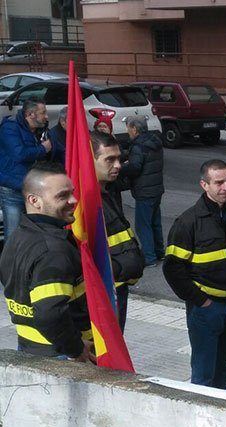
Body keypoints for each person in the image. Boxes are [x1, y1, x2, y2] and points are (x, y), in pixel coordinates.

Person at [163, 159, 226, 390]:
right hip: (206, 310)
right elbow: (173, 269)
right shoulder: (188, 223)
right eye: (219, 183)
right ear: (204, 185)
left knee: (225, 366)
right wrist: (202, 302)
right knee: (204, 372)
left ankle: (221, 406)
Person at [0, 163, 92, 362]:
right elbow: (50, 314)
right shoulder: (53, 250)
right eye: (62, 196)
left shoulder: (17, 236)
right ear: (34, 201)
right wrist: (76, 349)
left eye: (72, 193)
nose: (74, 200)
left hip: (29, 347)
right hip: (62, 354)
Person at [91, 131, 145, 330]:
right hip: (104, 292)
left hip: (116, 287)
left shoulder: (106, 192)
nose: (118, 165)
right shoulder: (82, 203)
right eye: (109, 159)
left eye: (119, 159)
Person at [0, 98, 51, 236]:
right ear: (30, 114)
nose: (46, 116)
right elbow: (19, 154)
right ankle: (11, 258)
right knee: (14, 232)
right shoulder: (10, 127)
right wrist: (42, 149)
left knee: (35, 231)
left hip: (32, 186)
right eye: (43, 113)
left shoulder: (39, 129)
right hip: (12, 188)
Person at [119, 116, 166, 268]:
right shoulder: (154, 142)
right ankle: (160, 252)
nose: (128, 132)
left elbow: (134, 167)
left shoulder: (138, 146)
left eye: (128, 128)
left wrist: (121, 168)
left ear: (134, 129)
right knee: (155, 222)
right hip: (156, 188)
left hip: (144, 190)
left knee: (143, 225)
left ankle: (149, 257)